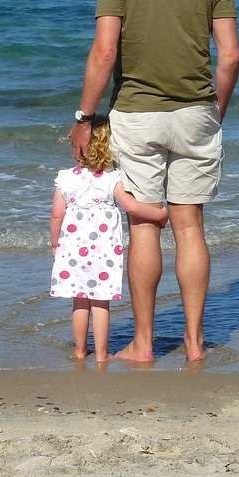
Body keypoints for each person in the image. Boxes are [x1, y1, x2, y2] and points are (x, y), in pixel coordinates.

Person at [68, 0, 239, 363]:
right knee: (190, 227)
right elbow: (229, 57)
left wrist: (84, 116)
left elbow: (105, 51)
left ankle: (143, 344)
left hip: (138, 115)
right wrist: (215, 111)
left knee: (145, 228)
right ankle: (193, 343)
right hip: (196, 112)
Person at [50, 116, 169, 362]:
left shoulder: (66, 178)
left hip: (72, 249)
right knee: (100, 303)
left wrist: (55, 242)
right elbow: (132, 207)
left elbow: (56, 214)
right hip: (102, 252)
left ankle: (80, 350)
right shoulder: (111, 179)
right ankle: (102, 354)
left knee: (79, 301)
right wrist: (159, 213)